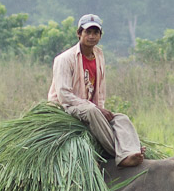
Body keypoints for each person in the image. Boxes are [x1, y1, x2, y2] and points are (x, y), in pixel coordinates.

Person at [48, 13, 144, 167]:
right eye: (88, 32)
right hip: (66, 107)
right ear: (79, 33)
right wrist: (96, 109)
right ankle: (119, 153)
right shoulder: (65, 59)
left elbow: (99, 90)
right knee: (92, 112)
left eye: (95, 32)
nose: (91, 36)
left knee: (121, 118)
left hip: (89, 108)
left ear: (100, 35)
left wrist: (102, 110)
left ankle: (132, 149)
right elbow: (63, 95)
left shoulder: (98, 55)